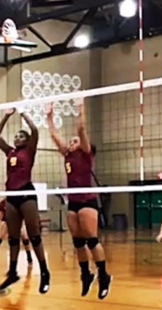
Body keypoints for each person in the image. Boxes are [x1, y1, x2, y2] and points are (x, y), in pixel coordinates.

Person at [46, 99, 112, 299]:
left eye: (74, 141)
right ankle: (86, 274)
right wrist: (49, 116)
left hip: (87, 200)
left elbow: (81, 129)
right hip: (73, 201)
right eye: (71, 141)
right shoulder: (67, 155)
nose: (71, 142)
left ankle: (103, 275)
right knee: (77, 242)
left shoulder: (86, 154)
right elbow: (53, 135)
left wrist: (80, 106)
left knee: (92, 240)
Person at [0, 108, 50, 294]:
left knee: (34, 236)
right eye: (15, 136)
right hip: (12, 197)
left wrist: (23, 113)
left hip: (26, 194)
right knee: (13, 238)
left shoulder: (30, 151)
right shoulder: (10, 152)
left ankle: (45, 272)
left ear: (26, 140)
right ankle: (12, 273)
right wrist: (7, 115)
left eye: (20, 136)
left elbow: (35, 130)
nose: (17, 138)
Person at [0, 199, 33, 267]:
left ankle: (29, 258)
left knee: (25, 237)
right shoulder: (2, 204)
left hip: (18, 221)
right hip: (6, 222)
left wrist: (24, 225)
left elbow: (24, 215)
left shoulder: (20, 202)